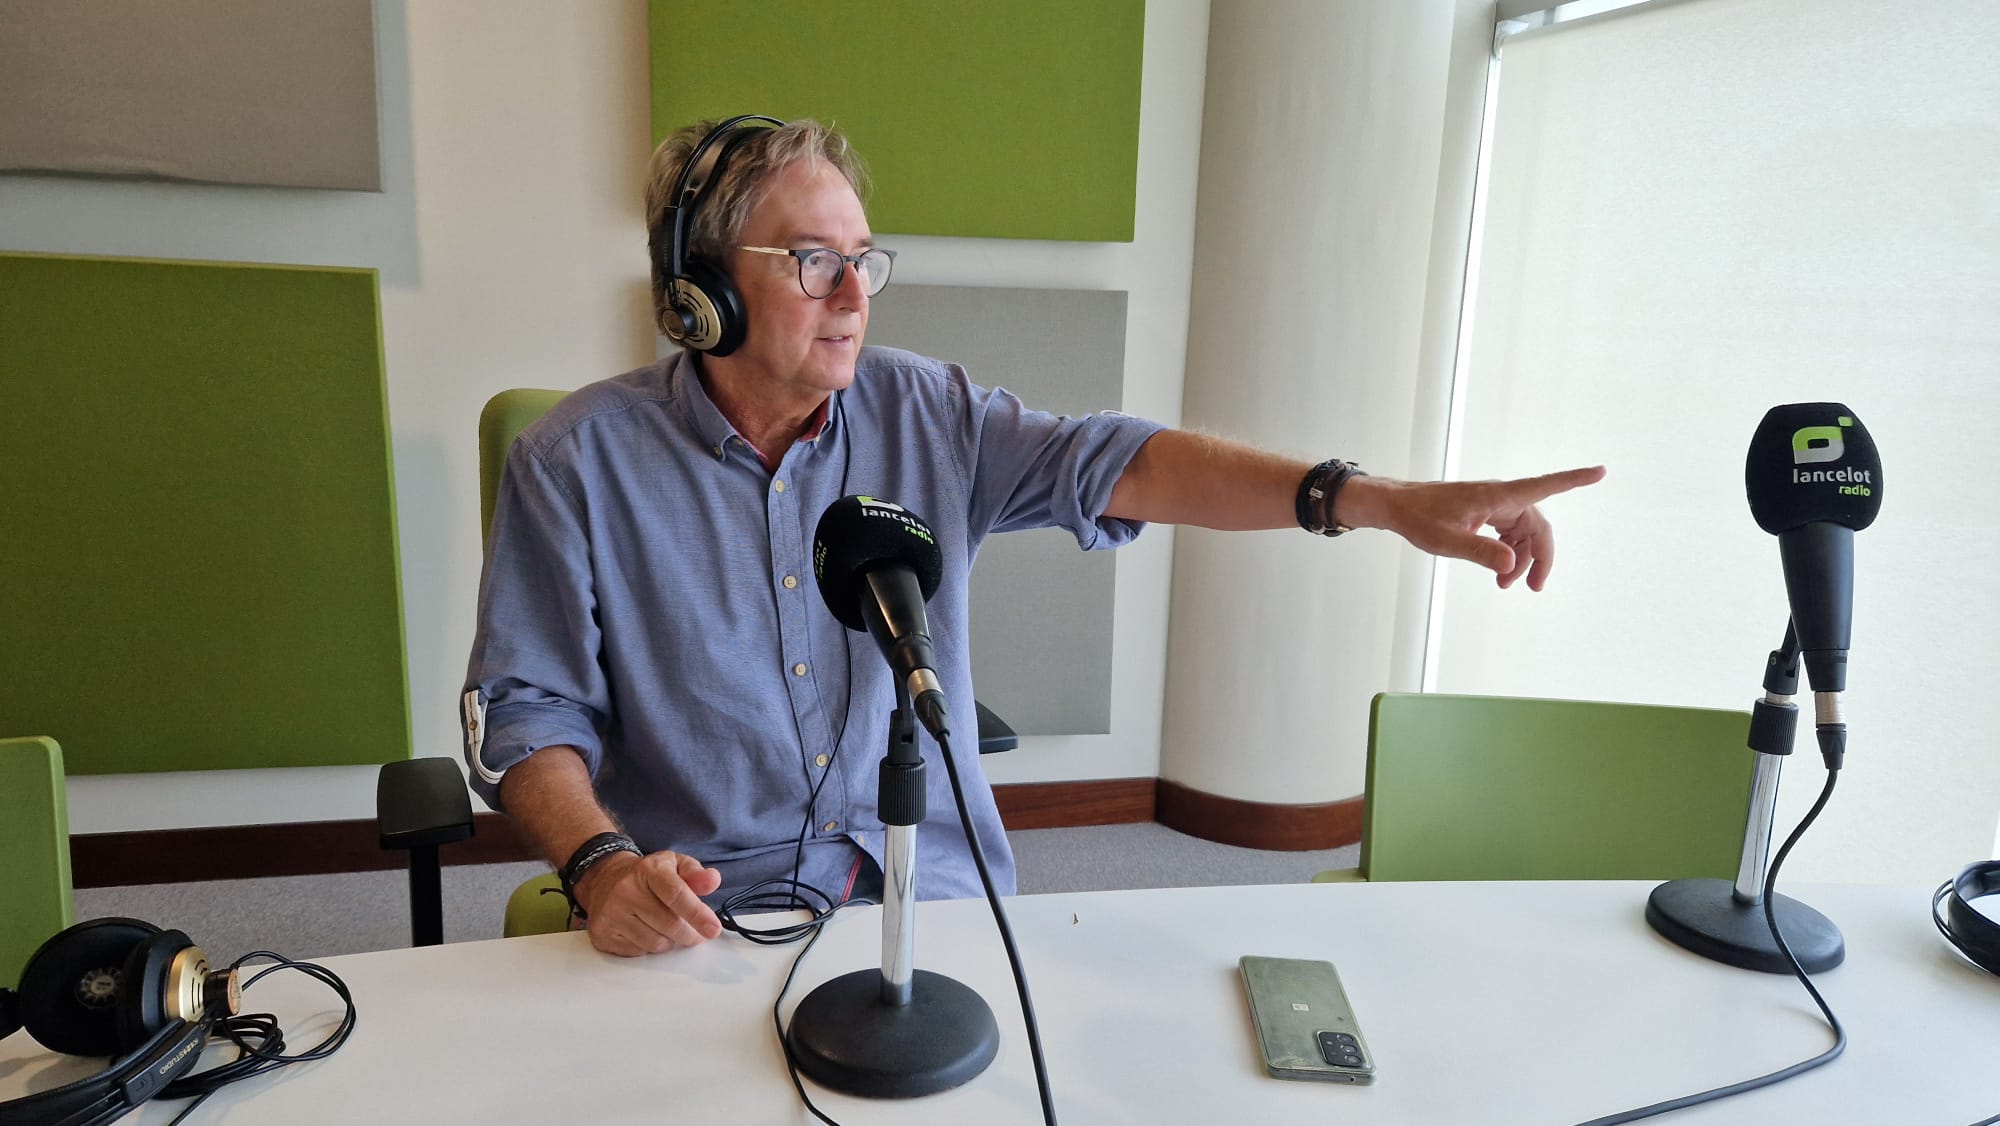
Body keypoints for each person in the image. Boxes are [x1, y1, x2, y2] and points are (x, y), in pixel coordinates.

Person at [462, 116, 1604, 958]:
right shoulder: (575, 461)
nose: (854, 294)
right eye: (812, 260)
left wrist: (1372, 499)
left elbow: (1118, 460)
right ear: (698, 292)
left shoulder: (927, 411)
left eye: (864, 258)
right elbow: (525, 710)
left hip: (932, 891)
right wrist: (603, 867)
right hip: (702, 911)